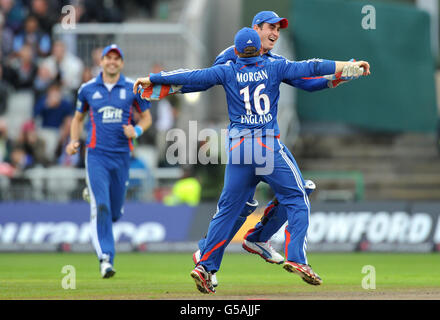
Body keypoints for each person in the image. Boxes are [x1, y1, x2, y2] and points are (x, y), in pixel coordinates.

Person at [134, 27, 370, 293]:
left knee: (228, 211)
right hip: (264, 144)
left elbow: (194, 77)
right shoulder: (274, 67)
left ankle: (205, 265)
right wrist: (347, 67)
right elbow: (312, 67)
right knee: (298, 196)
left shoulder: (227, 69)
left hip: (237, 149)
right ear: (258, 47)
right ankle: (296, 258)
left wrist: (153, 80)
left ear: (235, 51)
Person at [66, 44, 152, 278]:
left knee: (114, 212)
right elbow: (77, 118)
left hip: (122, 156)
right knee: (101, 207)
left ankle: (93, 195)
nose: (112, 62)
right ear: (101, 61)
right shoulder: (87, 89)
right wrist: (74, 141)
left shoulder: (132, 88)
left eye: (117, 58)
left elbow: (146, 118)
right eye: (108, 58)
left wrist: (136, 131)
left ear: (121, 63)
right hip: (96, 155)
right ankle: (106, 259)